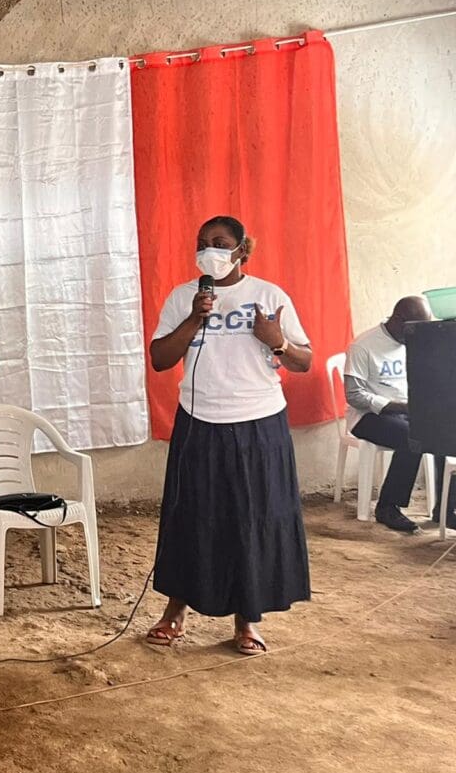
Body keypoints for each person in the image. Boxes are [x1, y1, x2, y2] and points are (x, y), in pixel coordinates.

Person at [146, 215, 313, 655]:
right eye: (202, 243)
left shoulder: (268, 295)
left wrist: (276, 340)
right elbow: (160, 358)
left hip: (258, 422)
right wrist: (192, 321)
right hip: (199, 420)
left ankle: (247, 620)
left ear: (243, 250)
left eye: (219, 243)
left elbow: (304, 361)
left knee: (251, 520)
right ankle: (175, 612)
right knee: (191, 516)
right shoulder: (185, 297)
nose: (209, 251)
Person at [344, 296, 451, 531]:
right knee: (412, 438)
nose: (418, 333)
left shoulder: (416, 342)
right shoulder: (364, 346)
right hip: (368, 416)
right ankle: (388, 507)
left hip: (407, 410)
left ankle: (445, 508)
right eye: (414, 327)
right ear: (398, 319)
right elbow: (354, 396)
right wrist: (399, 406)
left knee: (446, 430)